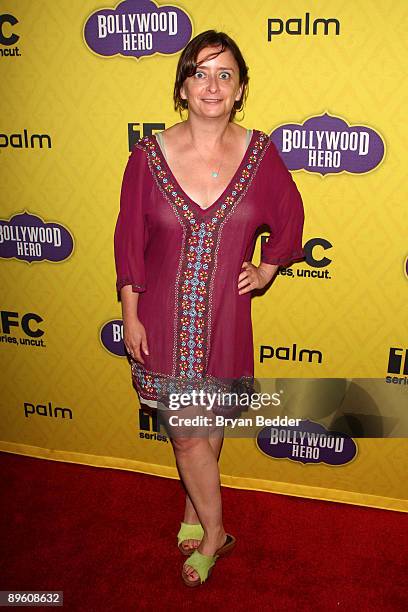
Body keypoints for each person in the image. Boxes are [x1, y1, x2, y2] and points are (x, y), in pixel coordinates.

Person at [113, 30, 305, 587]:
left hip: (225, 317)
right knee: (187, 433)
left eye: (225, 74)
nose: (212, 85)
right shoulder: (148, 157)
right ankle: (216, 536)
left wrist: (268, 267)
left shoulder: (261, 154)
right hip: (163, 319)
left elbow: (289, 216)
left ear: (240, 88)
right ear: (182, 87)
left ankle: (197, 514)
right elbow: (129, 240)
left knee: (210, 421)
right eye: (199, 72)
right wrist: (129, 311)